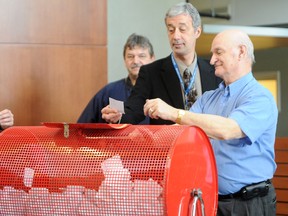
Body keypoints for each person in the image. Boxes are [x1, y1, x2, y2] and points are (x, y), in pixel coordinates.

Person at [143, 29, 278, 215]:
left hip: (250, 204)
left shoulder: (260, 97)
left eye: (218, 52)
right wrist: (138, 135)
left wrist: (174, 112)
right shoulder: (208, 99)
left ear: (241, 52)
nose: (212, 60)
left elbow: (227, 130)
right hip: (210, 200)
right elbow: (179, 134)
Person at [101, 2, 222, 125]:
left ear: (197, 31)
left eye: (182, 29)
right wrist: (118, 115)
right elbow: (133, 109)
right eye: (171, 30)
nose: (176, 36)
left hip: (209, 143)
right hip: (169, 143)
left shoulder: (216, 71)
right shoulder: (151, 72)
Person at [77, 33, 155, 124]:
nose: (135, 61)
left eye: (142, 56)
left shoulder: (161, 91)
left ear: (152, 59)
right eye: (130, 56)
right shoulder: (109, 92)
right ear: (124, 60)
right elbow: (82, 126)